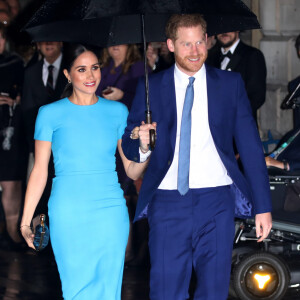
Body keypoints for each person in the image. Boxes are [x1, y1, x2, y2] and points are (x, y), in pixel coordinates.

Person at [122, 14, 272, 300]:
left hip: (217, 202)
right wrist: (141, 143)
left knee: (214, 292)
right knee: (165, 291)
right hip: (167, 202)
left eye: (199, 42)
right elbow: (130, 147)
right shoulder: (151, 86)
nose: (194, 51)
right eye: (186, 44)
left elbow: (251, 148)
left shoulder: (230, 84)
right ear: (170, 45)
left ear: (208, 41)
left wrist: (262, 206)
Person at [20, 43, 150, 299]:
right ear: (68, 74)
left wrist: (145, 148)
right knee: (76, 290)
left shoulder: (117, 111)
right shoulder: (49, 114)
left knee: (108, 291)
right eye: (82, 69)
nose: (91, 76)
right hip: (69, 211)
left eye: (95, 68)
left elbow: (133, 171)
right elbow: (39, 171)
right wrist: (25, 221)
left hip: (110, 211)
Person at [21, 41, 67, 216]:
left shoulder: (73, 69)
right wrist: (33, 145)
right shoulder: (30, 72)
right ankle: (41, 240)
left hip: (66, 144)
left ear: (61, 43)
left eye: (53, 39)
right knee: (40, 195)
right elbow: (26, 110)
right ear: (38, 45)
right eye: (44, 40)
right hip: (40, 144)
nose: (49, 44)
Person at [0, 22, 26, 248]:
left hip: (9, 127)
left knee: (11, 183)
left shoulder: (16, 62)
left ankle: (12, 232)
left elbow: (25, 94)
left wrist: (14, 101)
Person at [207, 31, 267, 123]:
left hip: (240, 125)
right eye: (221, 28)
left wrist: (230, 116)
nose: (224, 32)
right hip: (214, 126)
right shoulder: (209, 56)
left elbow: (257, 96)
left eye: (230, 27)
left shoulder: (252, 55)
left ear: (238, 29)